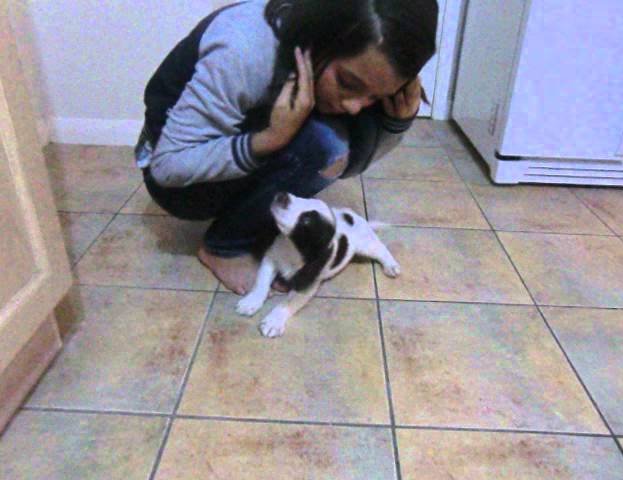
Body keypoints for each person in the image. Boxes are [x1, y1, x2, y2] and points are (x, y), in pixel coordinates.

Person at [135, 0, 439, 294]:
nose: (355, 106)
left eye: (374, 96)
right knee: (325, 144)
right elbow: (167, 166)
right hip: (177, 180)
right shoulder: (244, 47)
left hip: (240, 140)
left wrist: (393, 125)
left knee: (334, 148)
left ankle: (253, 225)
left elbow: (350, 164)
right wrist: (268, 140)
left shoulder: (347, 61)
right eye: (347, 83)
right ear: (323, 33)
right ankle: (226, 246)